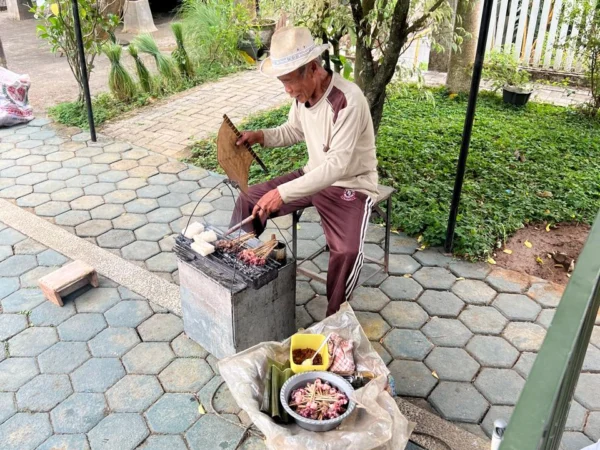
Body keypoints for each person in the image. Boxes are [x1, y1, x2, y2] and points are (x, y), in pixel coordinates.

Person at [231, 26, 378, 316]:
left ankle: (335, 317)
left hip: (351, 184)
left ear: (312, 68)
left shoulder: (348, 100)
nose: (287, 90)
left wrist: (282, 193)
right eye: (282, 83)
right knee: (249, 200)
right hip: (313, 175)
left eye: (289, 82)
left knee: (347, 251)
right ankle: (242, 270)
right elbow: (293, 130)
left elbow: (337, 167)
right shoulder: (301, 97)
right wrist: (259, 135)